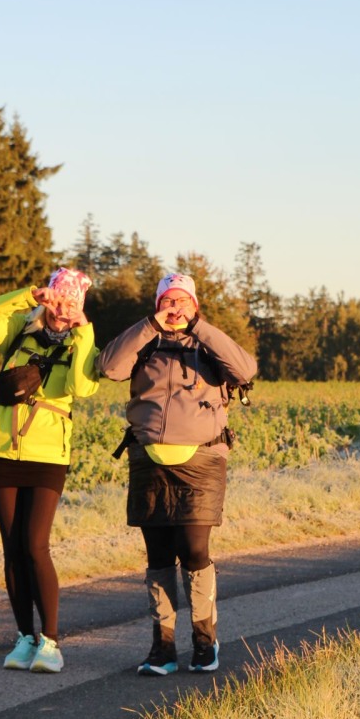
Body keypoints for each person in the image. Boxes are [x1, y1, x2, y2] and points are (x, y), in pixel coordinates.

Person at [97, 272, 257, 675]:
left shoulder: (207, 345)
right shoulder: (145, 342)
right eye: (168, 300)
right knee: (158, 555)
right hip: (149, 458)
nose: (175, 307)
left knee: (193, 550)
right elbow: (110, 367)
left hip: (201, 460)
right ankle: (163, 647)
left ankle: (204, 641)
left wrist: (198, 327)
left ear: (195, 306)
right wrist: (150, 326)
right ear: (157, 306)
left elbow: (244, 369)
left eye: (183, 300)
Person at [0, 268, 98, 673]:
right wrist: (29, 296)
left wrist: (83, 328)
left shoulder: (82, 344)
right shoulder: (21, 331)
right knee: (12, 546)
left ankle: (51, 641)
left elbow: (82, 387)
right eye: (58, 301)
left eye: (70, 303)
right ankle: (25, 636)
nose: (62, 310)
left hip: (47, 458)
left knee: (35, 544)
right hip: (0, 452)